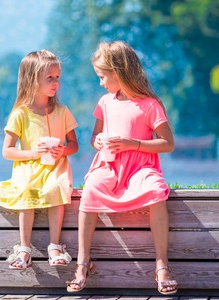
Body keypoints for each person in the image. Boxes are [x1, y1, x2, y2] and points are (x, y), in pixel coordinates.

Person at [66, 41, 178, 295]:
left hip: (140, 167)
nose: (101, 83)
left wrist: (132, 143)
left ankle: (162, 265)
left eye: (103, 76)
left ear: (120, 72)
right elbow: (94, 137)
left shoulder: (149, 105)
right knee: (90, 190)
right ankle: (83, 263)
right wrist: (98, 142)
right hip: (109, 166)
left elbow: (168, 143)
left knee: (156, 190)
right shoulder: (105, 102)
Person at [0, 50, 79, 269]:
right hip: (28, 168)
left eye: (57, 77)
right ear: (32, 79)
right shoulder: (21, 113)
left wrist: (62, 152)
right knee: (26, 189)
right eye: (50, 77)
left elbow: (74, 145)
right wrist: (33, 154)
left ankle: (55, 246)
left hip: (54, 168)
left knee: (56, 187)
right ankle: (24, 248)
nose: (55, 82)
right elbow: (7, 151)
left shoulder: (61, 111)